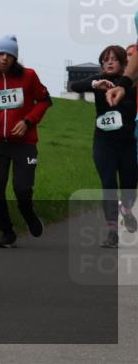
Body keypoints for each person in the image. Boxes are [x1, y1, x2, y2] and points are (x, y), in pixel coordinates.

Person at [0, 35, 52, 247]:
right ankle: (7, 232)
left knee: (22, 189)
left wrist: (27, 121)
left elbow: (45, 101)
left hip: (24, 144)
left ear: (15, 57)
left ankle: (29, 214)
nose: (4, 58)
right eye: (0, 54)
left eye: (9, 55)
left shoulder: (29, 76)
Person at [72, 45, 138, 246]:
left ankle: (126, 211)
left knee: (129, 186)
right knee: (108, 185)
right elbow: (75, 86)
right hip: (104, 143)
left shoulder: (131, 84)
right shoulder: (99, 80)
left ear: (124, 63)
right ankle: (112, 233)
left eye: (114, 59)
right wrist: (95, 83)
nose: (109, 62)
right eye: (105, 59)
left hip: (127, 143)